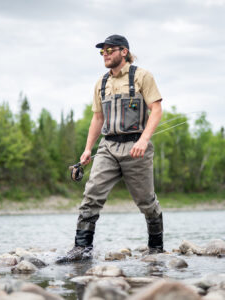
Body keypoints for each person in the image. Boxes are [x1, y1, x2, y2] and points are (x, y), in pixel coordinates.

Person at [56, 34, 164, 263]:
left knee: (146, 202)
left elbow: (156, 110)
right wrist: (87, 150)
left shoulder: (142, 76)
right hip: (108, 148)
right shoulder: (101, 83)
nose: (105, 54)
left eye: (109, 50)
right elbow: (97, 118)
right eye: (102, 51)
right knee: (91, 195)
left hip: (137, 148)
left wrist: (143, 140)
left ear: (124, 52)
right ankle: (81, 248)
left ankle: (156, 247)